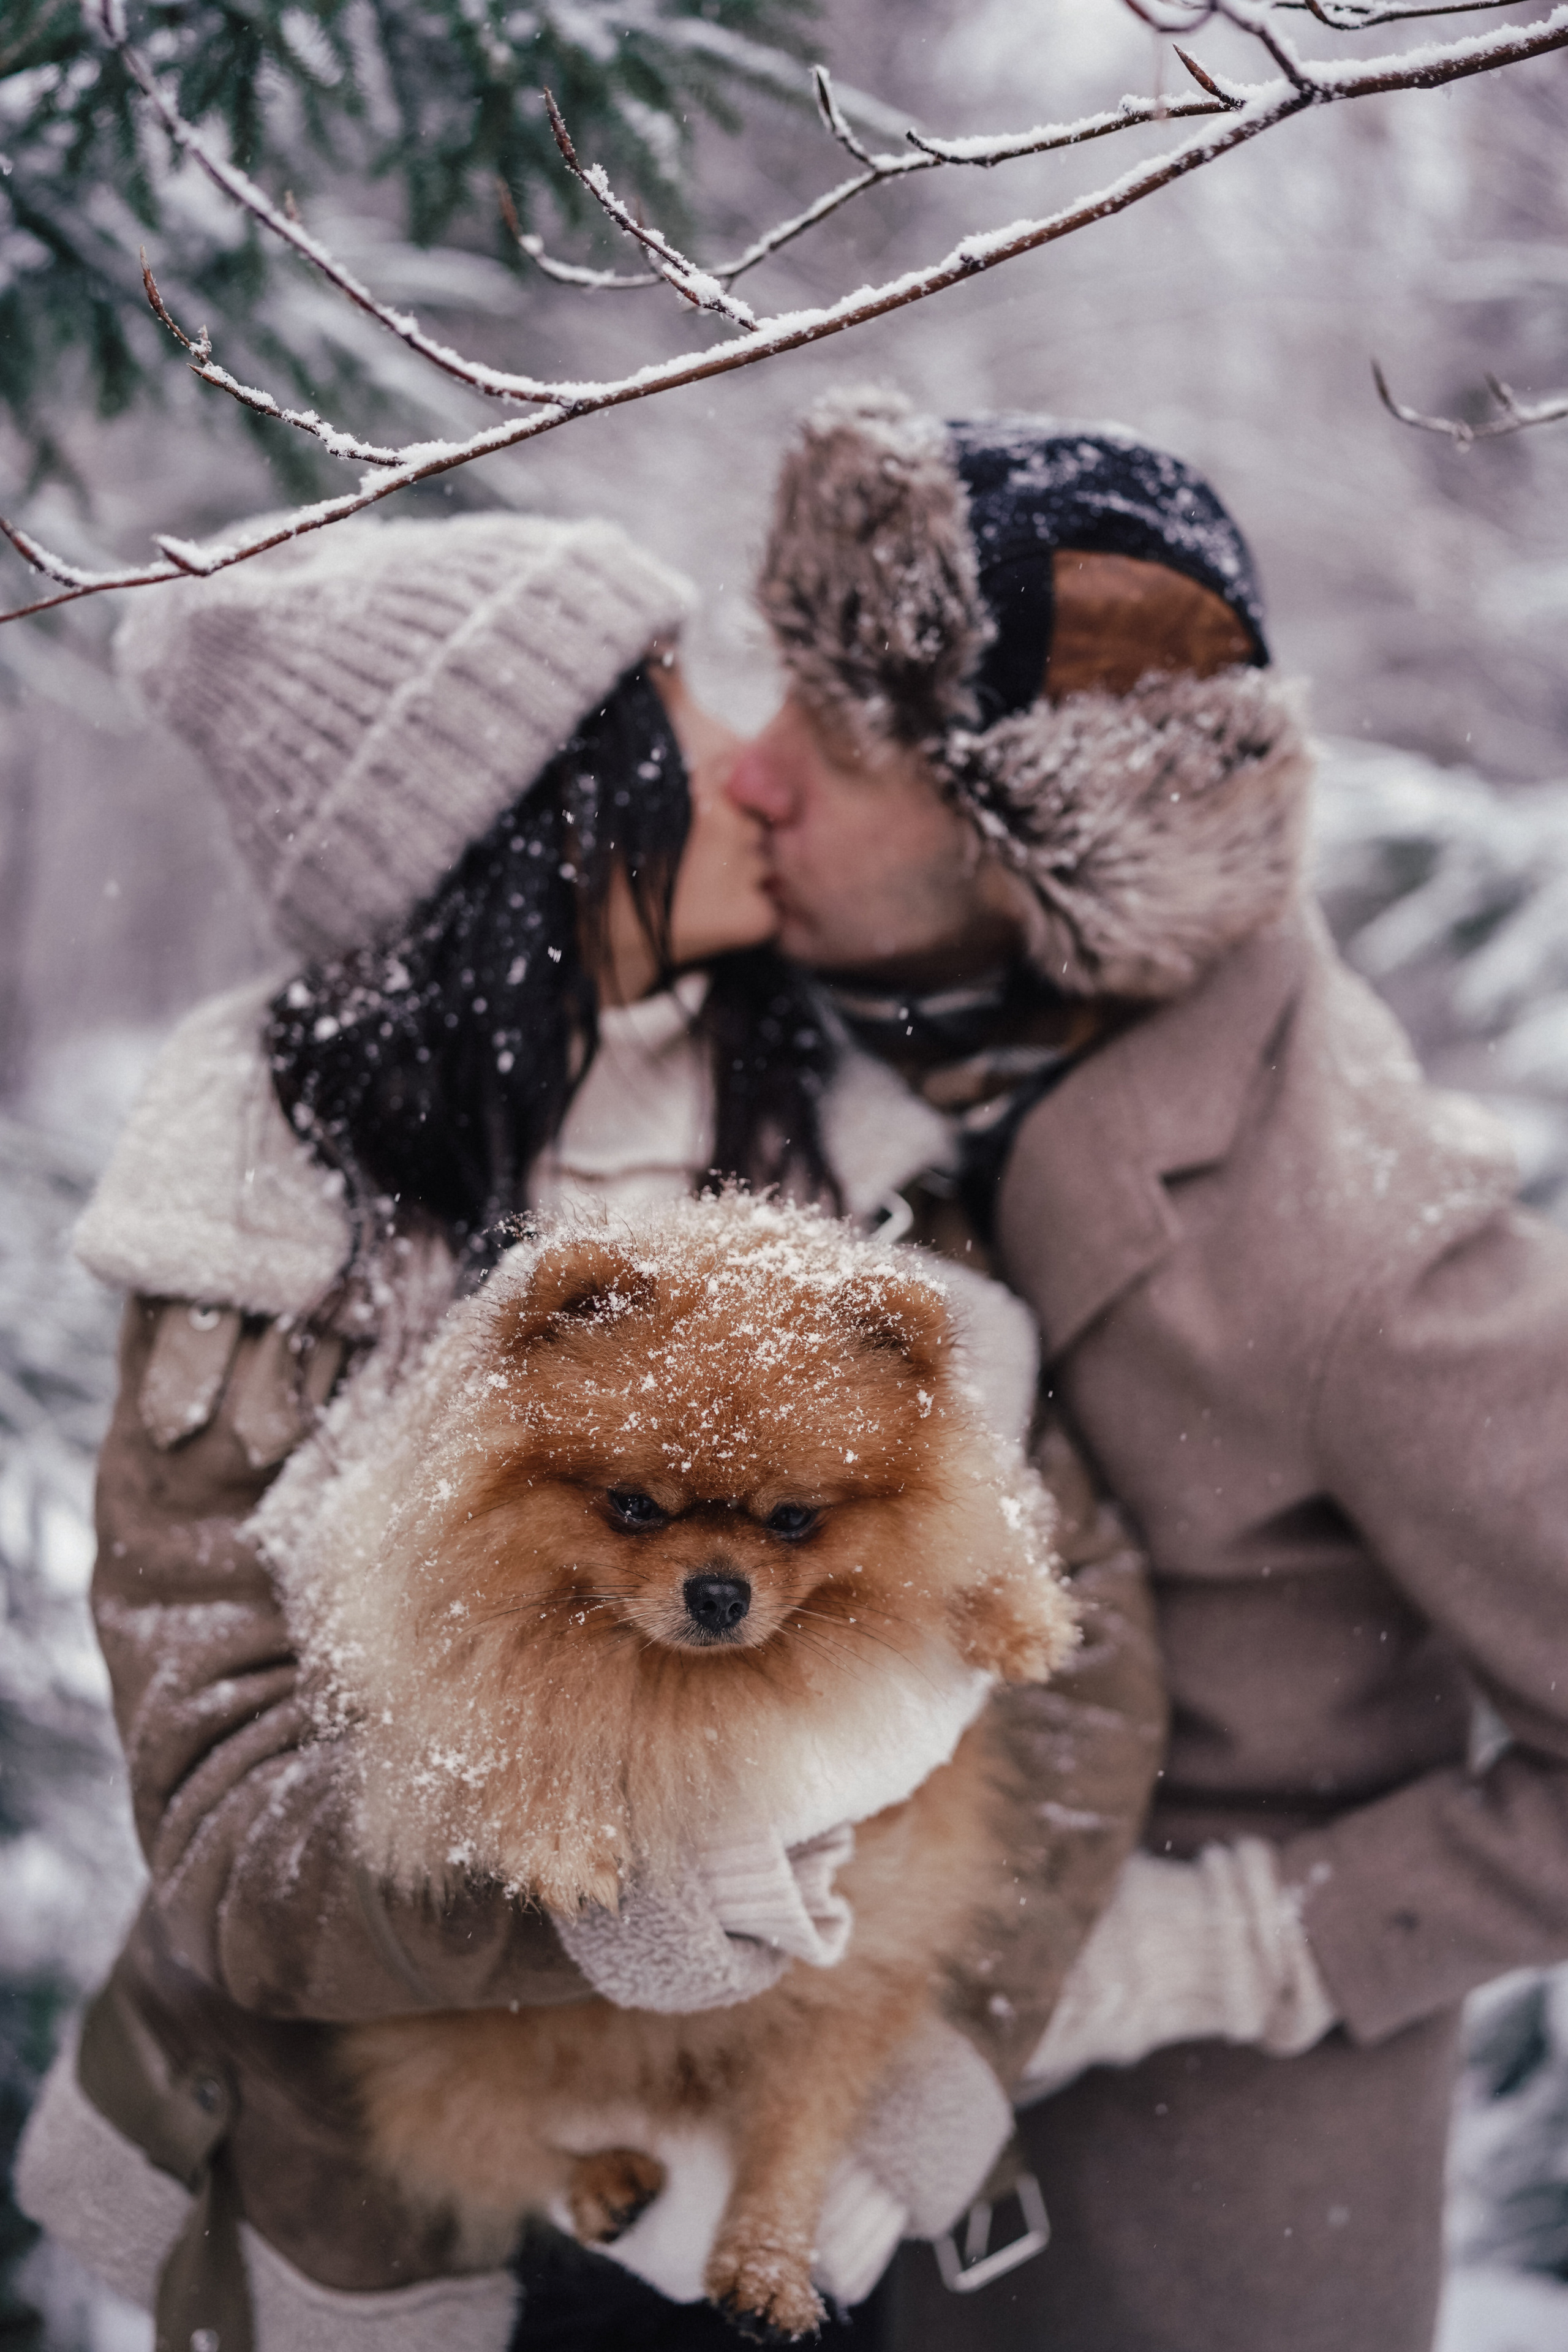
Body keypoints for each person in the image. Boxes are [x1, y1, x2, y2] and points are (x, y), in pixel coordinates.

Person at [13, 510, 1163, 2350]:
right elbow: (226, 1826)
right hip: (399, 2190)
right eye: (674, 724)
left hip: (765, 2158)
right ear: (538, 824)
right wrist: (602, 1892)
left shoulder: (844, 1148)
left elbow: (1078, 1638)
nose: (749, 768)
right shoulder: (252, 1220)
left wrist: (935, 2049)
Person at [725, 386, 1568, 2352]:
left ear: (1032, 833)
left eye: (837, 740)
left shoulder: (1356, 1245)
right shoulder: (842, 1031)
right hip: (835, 2183)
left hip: (1173, 2226)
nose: (754, 774)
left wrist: (1245, 1947)